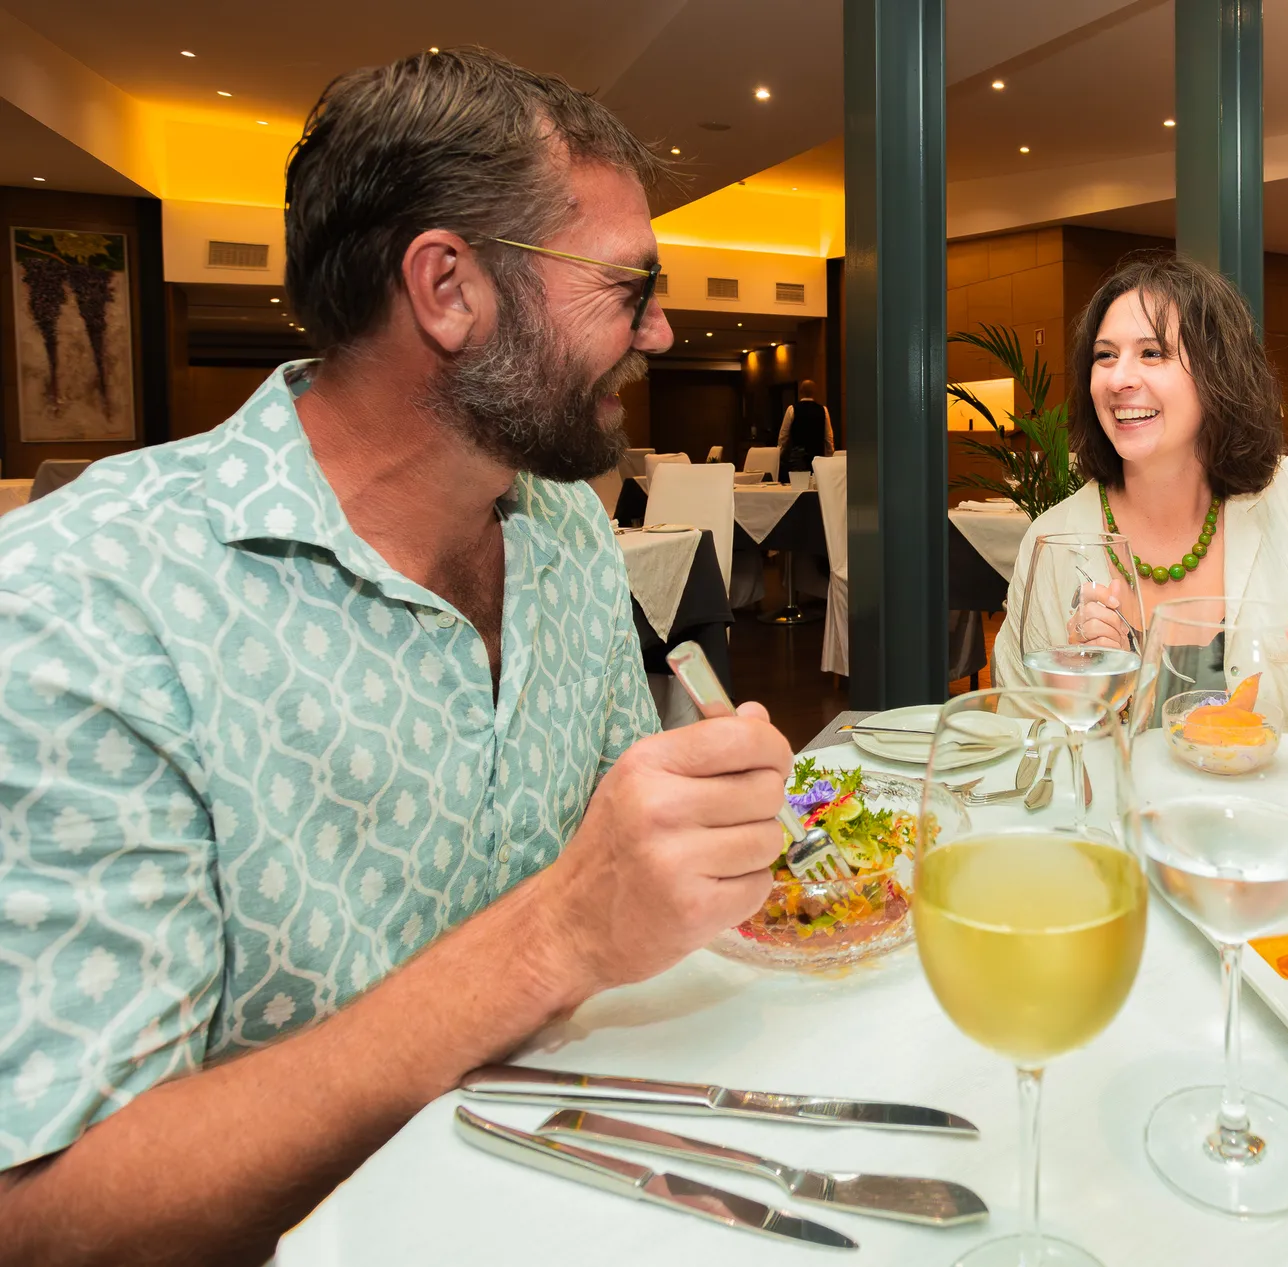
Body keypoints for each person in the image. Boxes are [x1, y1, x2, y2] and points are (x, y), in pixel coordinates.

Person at [0, 49, 793, 1264]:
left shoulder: (567, 524)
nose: (663, 328)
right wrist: (555, 936)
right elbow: (54, 1217)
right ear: (447, 287)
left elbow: (621, 870)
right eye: (626, 286)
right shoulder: (86, 602)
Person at [994, 253, 1288, 735]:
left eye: (1152, 353)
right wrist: (1081, 700)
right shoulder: (1053, 540)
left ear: (1217, 374)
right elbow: (1021, 739)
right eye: (1105, 355)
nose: (1119, 378)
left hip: (1277, 809)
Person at [776, 378, 834, 482]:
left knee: (799, 485)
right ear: (815, 392)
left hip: (798, 457)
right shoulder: (823, 410)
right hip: (817, 456)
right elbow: (828, 437)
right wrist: (830, 456)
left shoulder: (792, 409)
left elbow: (783, 436)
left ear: (800, 391)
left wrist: (778, 455)